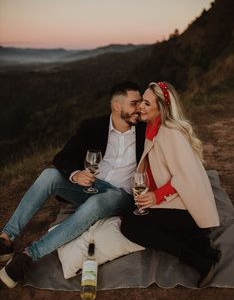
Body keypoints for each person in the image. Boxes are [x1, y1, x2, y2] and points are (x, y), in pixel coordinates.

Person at [0, 81, 146, 288]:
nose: (139, 108)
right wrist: (76, 175)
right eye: (134, 103)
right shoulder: (93, 126)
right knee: (49, 175)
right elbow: (62, 157)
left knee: (98, 203)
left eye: (140, 103)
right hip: (91, 187)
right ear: (116, 106)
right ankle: (6, 238)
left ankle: (28, 255)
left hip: (120, 196)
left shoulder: (146, 131)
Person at [121, 81, 221, 288]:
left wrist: (156, 197)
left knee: (131, 225)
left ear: (162, 108)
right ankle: (201, 245)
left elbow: (185, 176)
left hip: (187, 208)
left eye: (147, 104)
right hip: (174, 202)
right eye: (141, 102)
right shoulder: (152, 127)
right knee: (132, 211)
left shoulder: (170, 133)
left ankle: (198, 261)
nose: (141, 107)